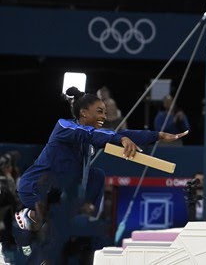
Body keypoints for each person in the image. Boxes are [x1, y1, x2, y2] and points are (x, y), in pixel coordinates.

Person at [13, 87, 187, 262]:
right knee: (58, 221)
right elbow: (90, 134)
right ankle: (35, 224)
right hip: (33, 187)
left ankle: (40, 220)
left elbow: (122, 134)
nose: (104, 116)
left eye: (105, 112)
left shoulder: (95, 136)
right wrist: (119, 139)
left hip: (57, 193)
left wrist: (158, 135)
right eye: (99, 112)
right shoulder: (64, 126)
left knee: (96, 176)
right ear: (83, 113)